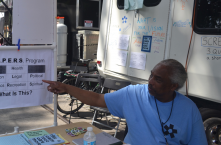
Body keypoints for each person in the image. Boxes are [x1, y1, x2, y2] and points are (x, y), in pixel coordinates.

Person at [43, 59, 207, 145]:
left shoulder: (189, 109)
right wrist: (66, 87)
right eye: (151, 75)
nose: (150, 81)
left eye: (158, 79)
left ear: (173, 86)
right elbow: (98, 98)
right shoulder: (134, 93)